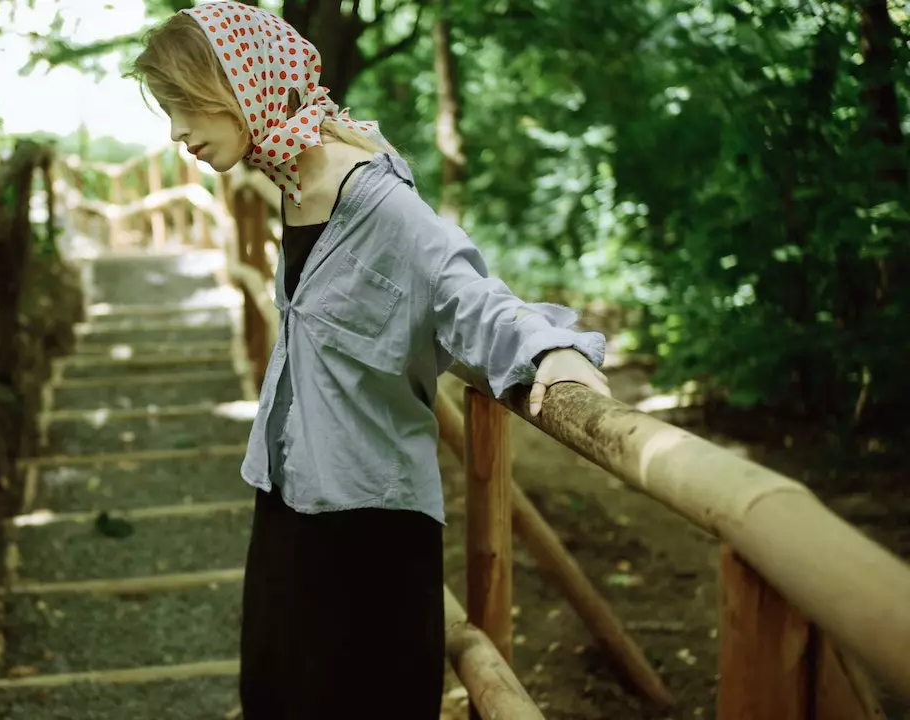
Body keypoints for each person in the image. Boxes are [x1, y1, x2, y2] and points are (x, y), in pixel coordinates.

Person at [128, 3, 611, 718]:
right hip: (290, 504)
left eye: (186, 106)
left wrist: (551, 354)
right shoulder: (291, 179)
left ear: (243, 81)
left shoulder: (373, 198)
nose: (177, 132)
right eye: (168, 112)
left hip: (368, 528)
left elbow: (465, 290)